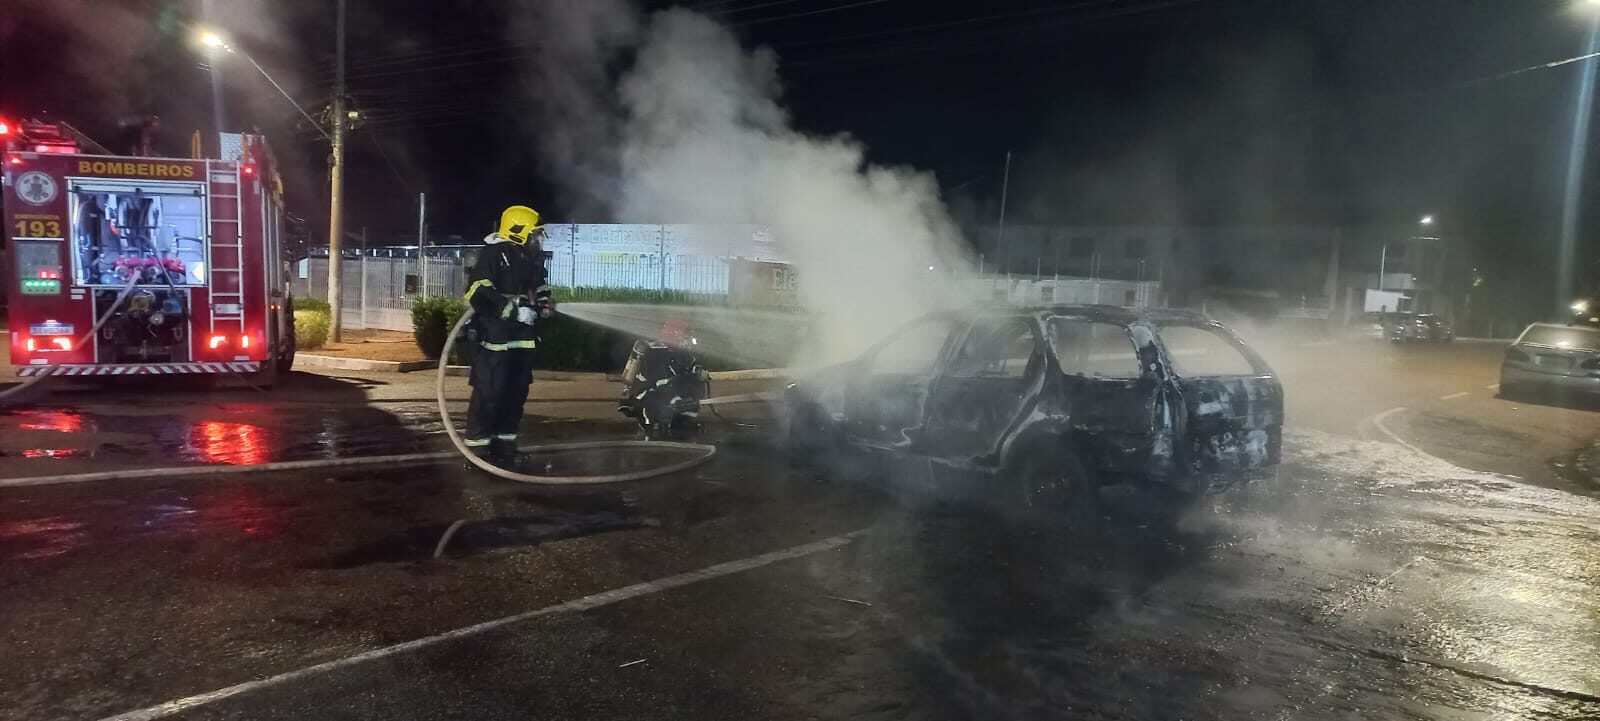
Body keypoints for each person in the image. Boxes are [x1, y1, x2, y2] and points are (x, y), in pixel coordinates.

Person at [463, 205, 553, 468]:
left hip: (522, 341)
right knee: (489, 395)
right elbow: (478, 292)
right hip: (495, 340)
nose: (537, 239)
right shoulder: (494, 254)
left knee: (515, 396)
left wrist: (545, 303)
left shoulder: (529, 257)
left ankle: (505, 448)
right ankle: (478, 453)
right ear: (518, 231)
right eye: (534, 233)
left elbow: (540, 285)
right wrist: (514, 312)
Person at [618, 318, 708, 437]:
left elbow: (688, 373)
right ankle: (650, 429)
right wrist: (676, 398)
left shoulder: (682, 354)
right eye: (685, 335)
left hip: (670, 397)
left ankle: (683, 426)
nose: (687, 340)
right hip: (648, 396)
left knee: (692, 394)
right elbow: (657, 382)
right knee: (662, 402)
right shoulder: (654, 353)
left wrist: (698, 375)